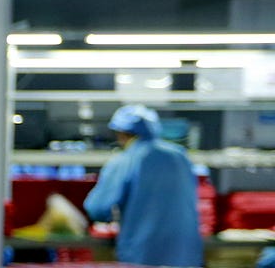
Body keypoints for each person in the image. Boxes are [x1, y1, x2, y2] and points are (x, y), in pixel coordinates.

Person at [83, 104, 202, 266]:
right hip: (184, 253)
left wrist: (108, 219)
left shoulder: (125, 161)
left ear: (121, 133)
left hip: (144, 253)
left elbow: (98, 208)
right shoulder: (180, 156)